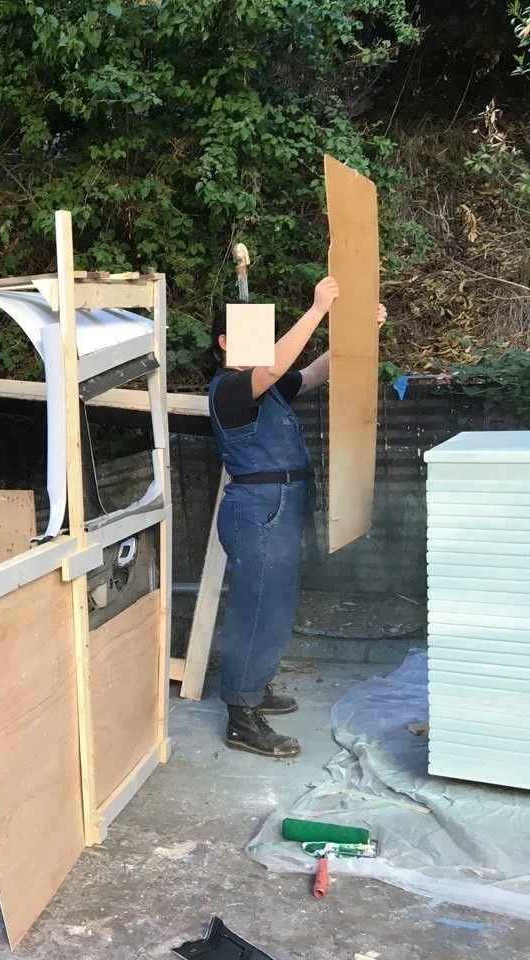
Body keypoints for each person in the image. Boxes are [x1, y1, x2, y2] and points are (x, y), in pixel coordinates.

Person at [207, 277, 386, 757]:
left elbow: (311, 374)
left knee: (275, 606)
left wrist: (359, 333)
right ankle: (241, 717)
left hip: (279, 507)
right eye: (248, 334)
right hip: (259, 509)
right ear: (224, 342)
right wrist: (317, 309)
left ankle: (255, 686)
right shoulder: (231, 388)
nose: (261, 343)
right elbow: (272, 366)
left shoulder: (267, 387)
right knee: (256, 609)